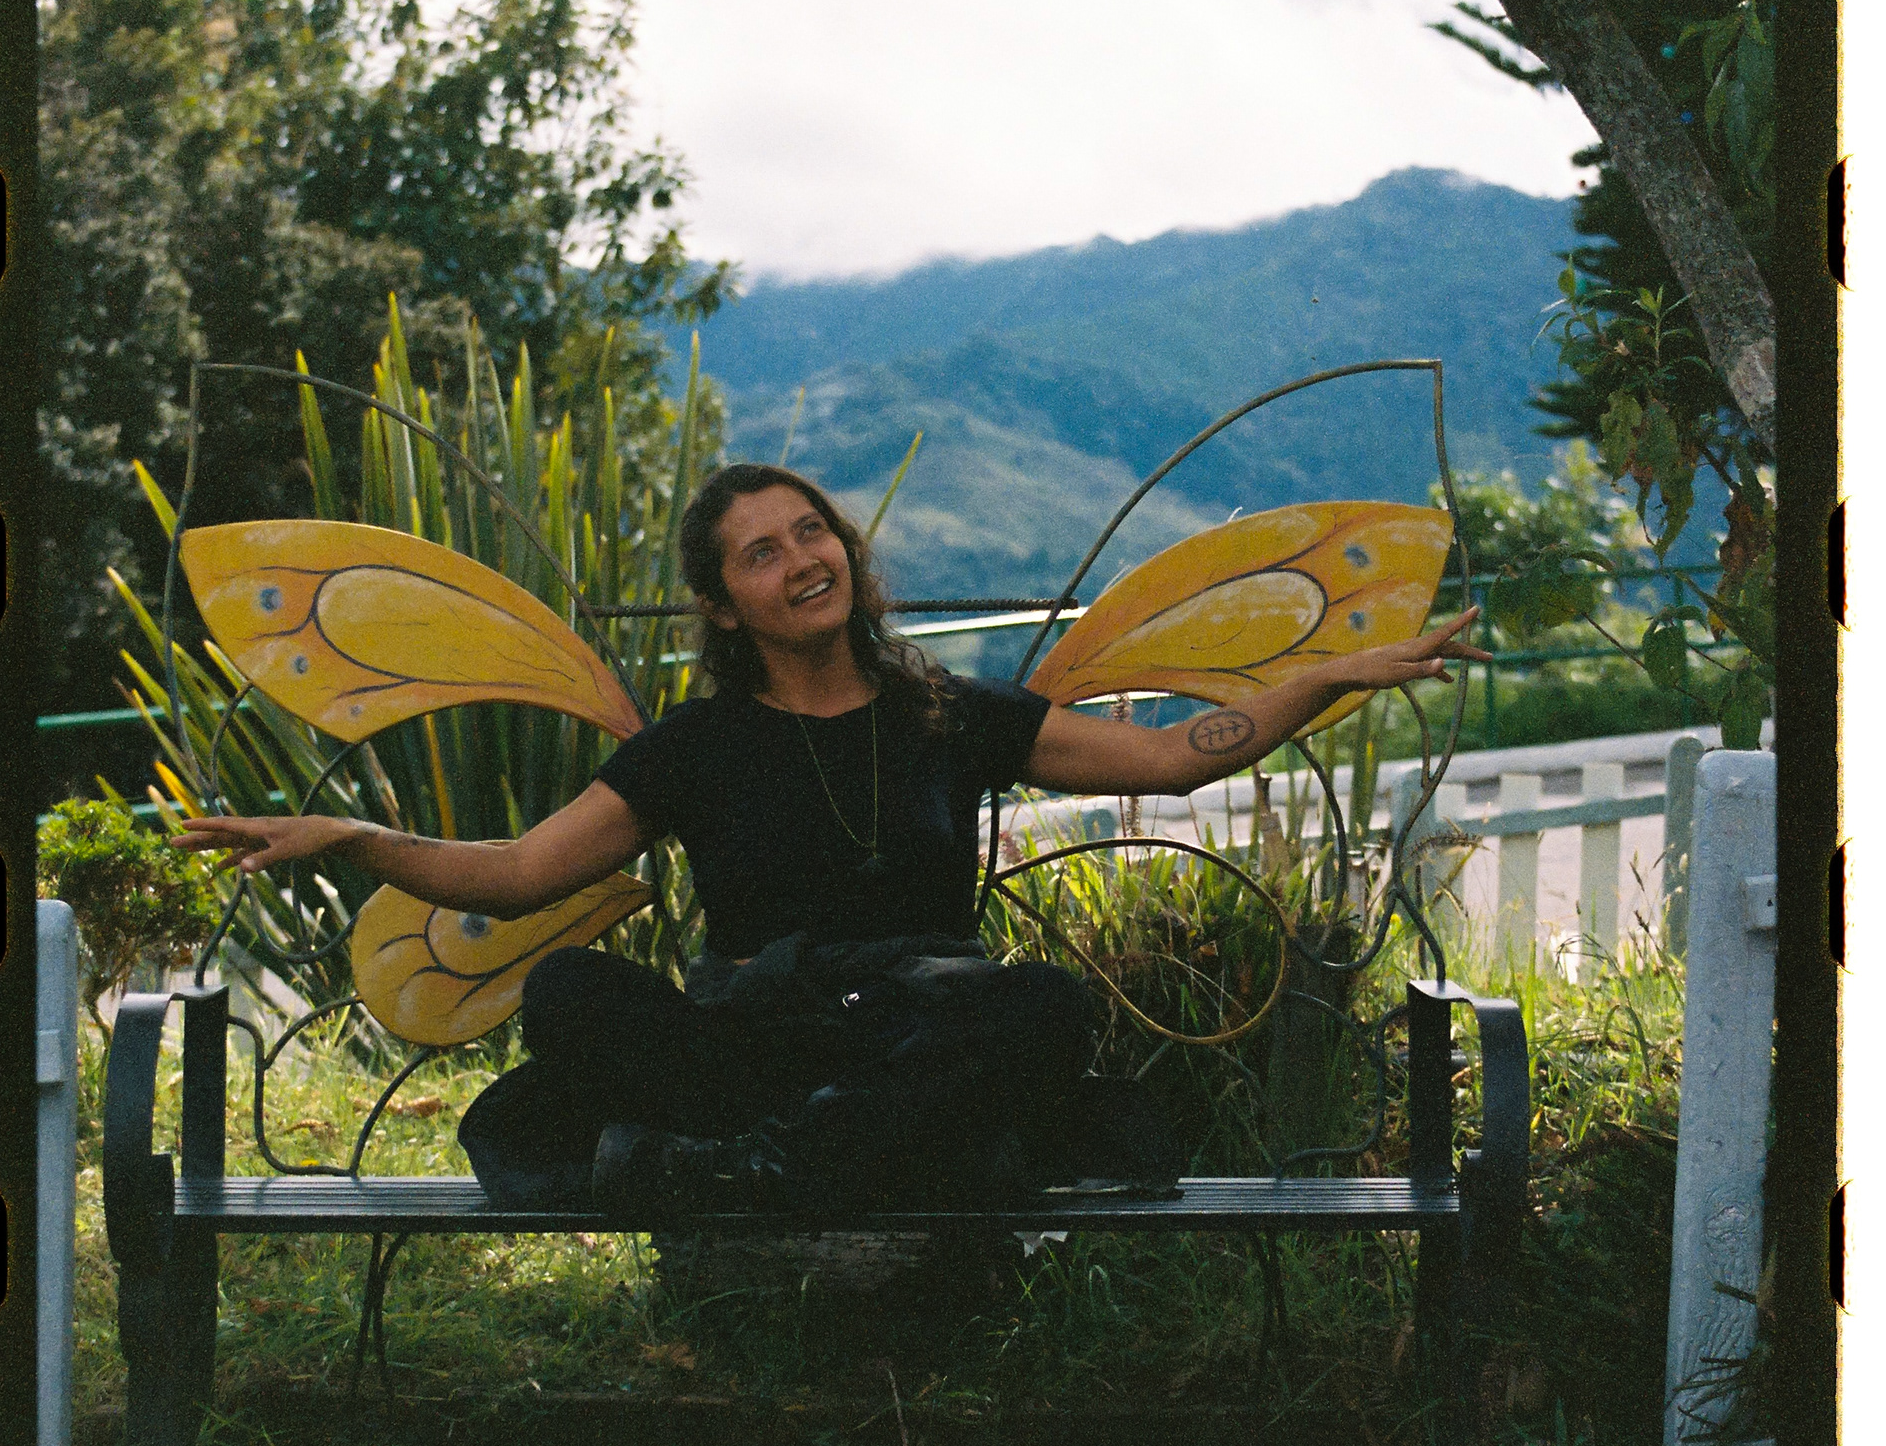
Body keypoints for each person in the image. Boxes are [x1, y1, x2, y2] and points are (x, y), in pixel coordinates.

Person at [178, 464, 1487, 1218]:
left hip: (915, 1036)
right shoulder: (692, 747)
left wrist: (1330, 674)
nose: (803, 558)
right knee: (571, 990)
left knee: (1041, 1007)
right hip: (757, 1044)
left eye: (813, 531)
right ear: (723, 605)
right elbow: (517, 877)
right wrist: (351, 833)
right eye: (762, 553)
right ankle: (817, 1157)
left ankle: (770, 1171)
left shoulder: (953, 714)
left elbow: (1177, 757)